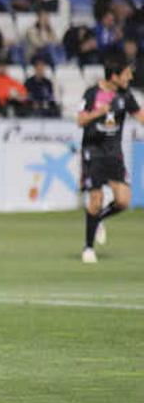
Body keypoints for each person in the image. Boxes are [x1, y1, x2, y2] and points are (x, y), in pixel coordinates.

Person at [78, 51, 144, 263]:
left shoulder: (126, 95)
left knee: (124, 201)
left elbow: (141, 117)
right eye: (126, 74)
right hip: (93, 151)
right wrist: (99, 112)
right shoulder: (92, 93)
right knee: (96, 200)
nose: (130, 78)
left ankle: (98, 220)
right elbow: (80, 120)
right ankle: (88, 248)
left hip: (114, 152)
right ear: (114, 76)